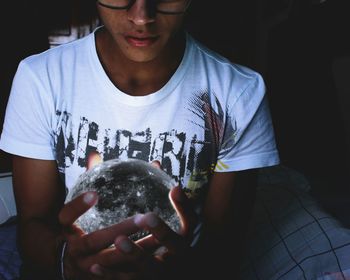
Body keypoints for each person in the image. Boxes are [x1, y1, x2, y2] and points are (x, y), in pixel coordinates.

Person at [0, 0, 280, 279]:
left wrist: (181, 271)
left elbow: (223, 251)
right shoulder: (42, 79)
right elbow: (32, 225)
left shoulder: (237, 95)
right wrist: (65, 261)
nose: (142, 17)